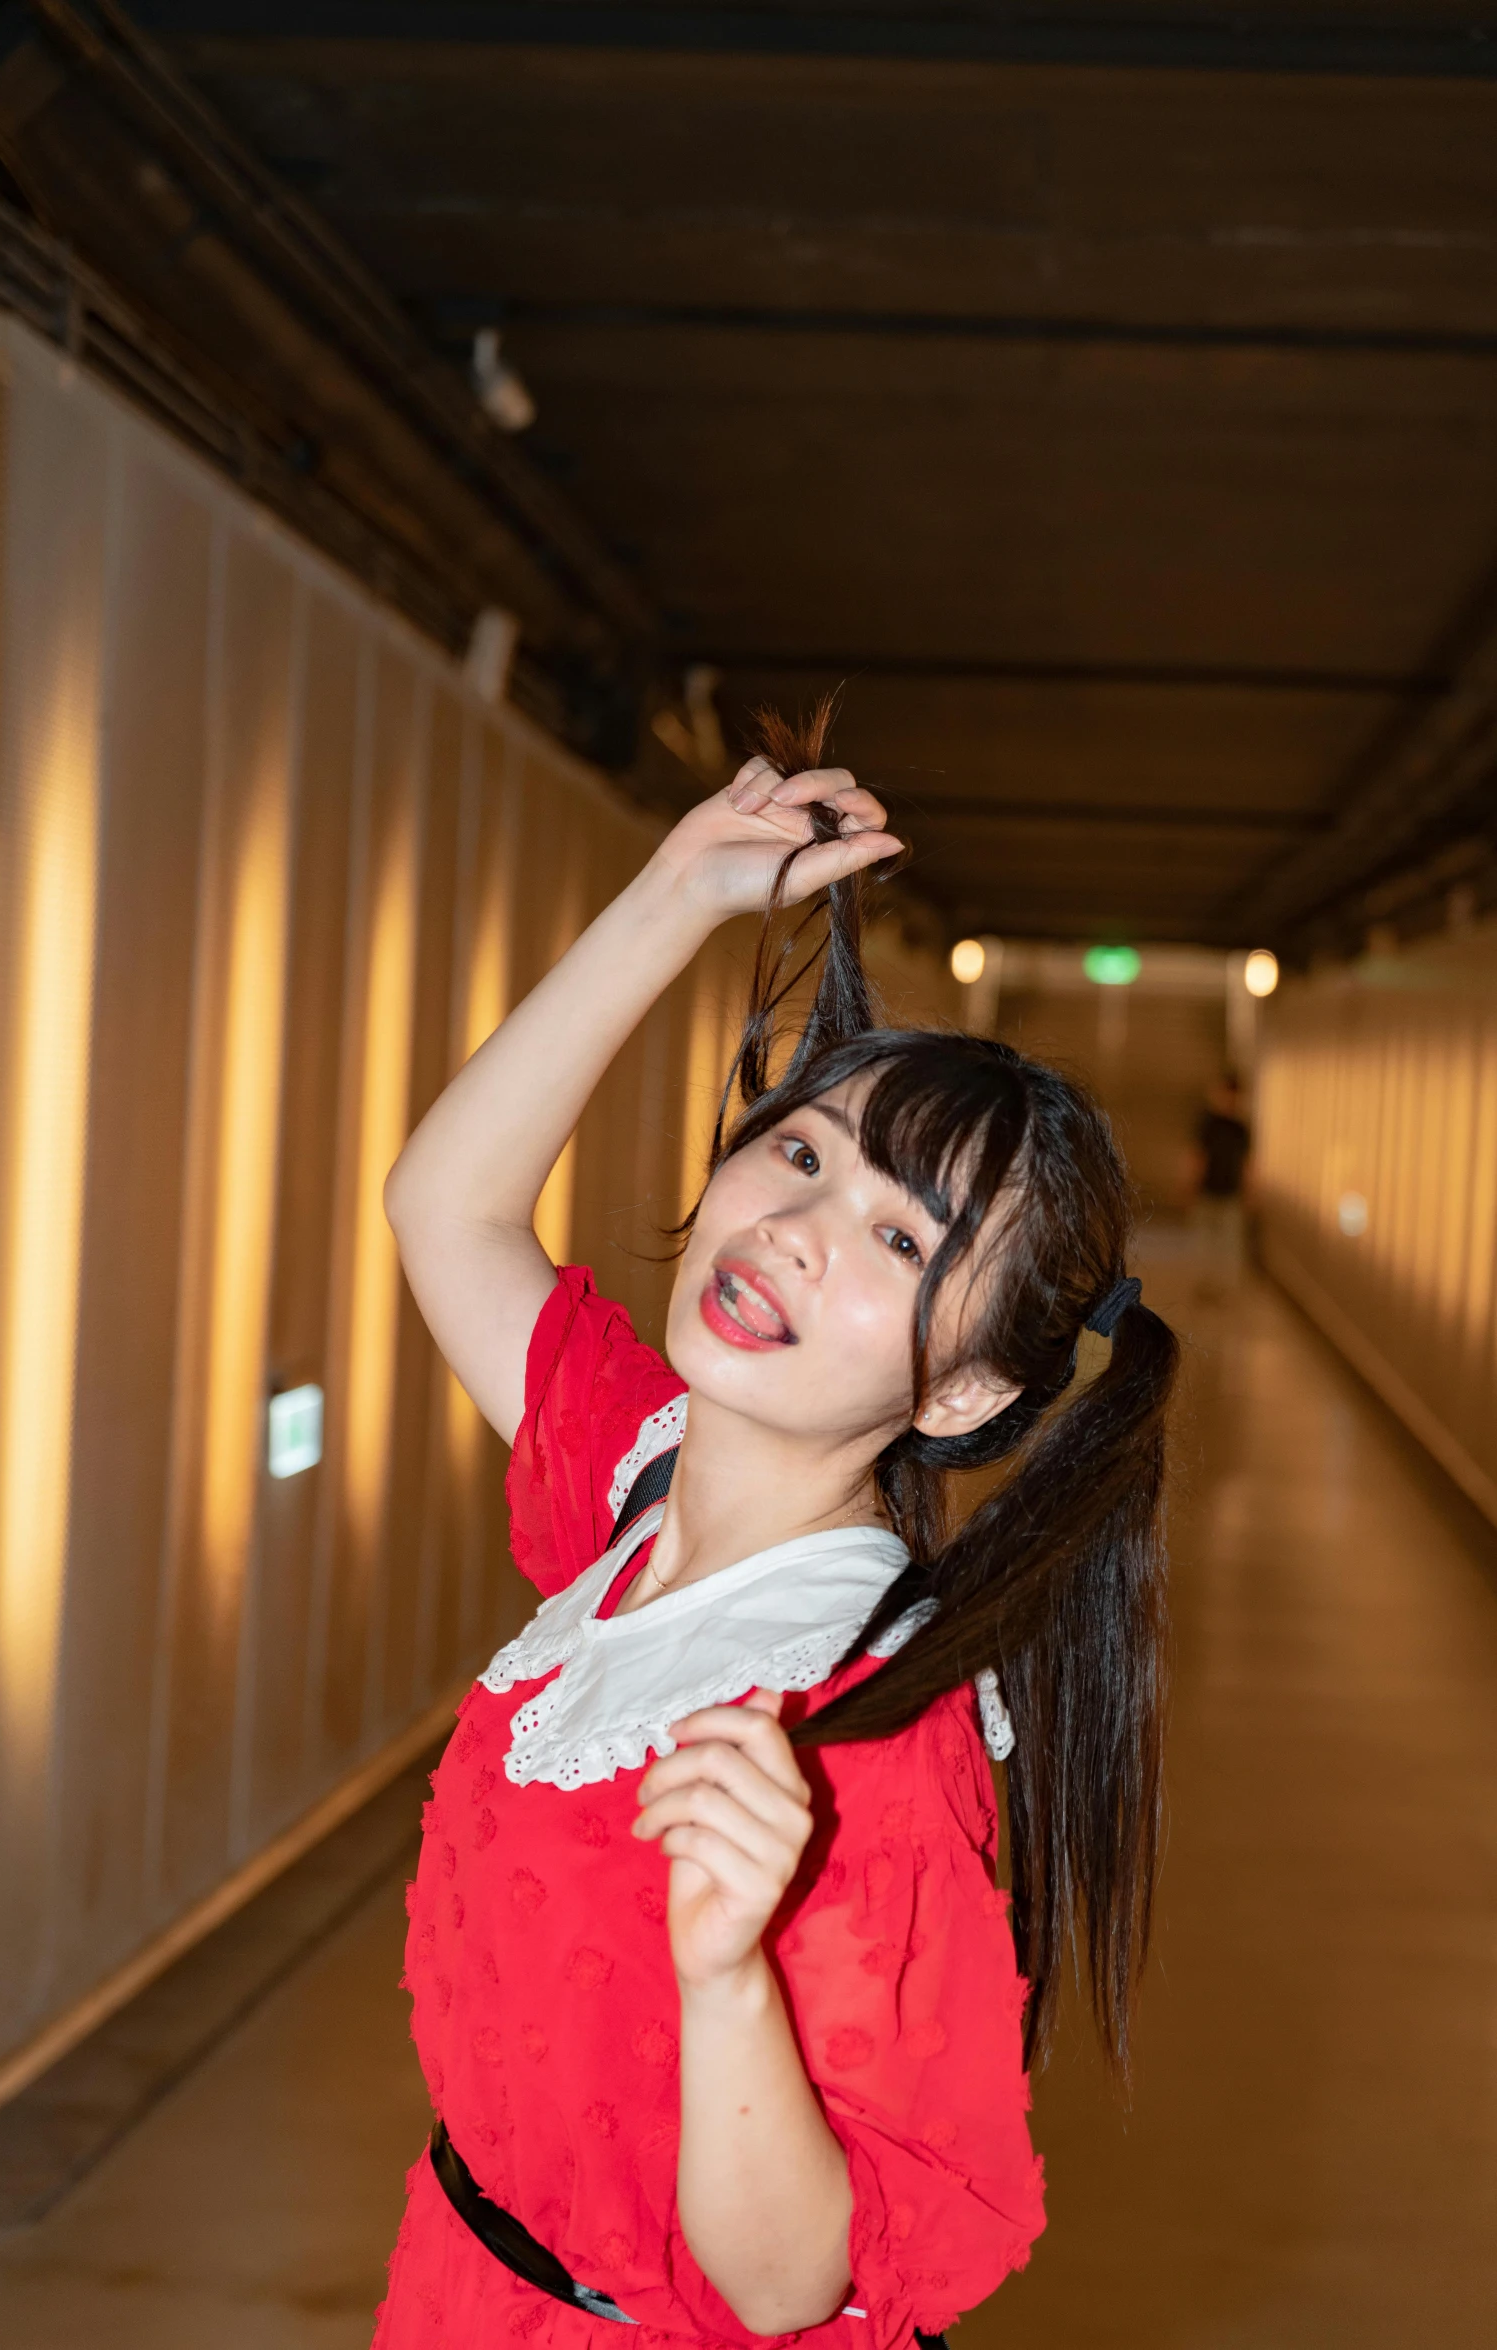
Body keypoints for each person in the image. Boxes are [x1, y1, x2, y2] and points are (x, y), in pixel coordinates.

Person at [377, 710, 1180, 2349]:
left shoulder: (865, 1722)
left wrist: (728, 1972)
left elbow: (787, 2281)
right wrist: (679, 893)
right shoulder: (646, 1484)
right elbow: (446, 1206)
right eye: (800, 1153)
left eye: (899, 1233)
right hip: (465, 2292)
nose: (800, 1227)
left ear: (959, 1394)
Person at [1187, 1072, 1251, 1296]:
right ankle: (1205, 1283)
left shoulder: (1241, 1128)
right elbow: (1198, 1156)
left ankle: (1223, 1286)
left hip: (1230, 1192)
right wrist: (1191, 1184)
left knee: (1228, 1243)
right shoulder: (1208, 1123)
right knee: (1204, 1240)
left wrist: (1249, 1191)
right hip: (1208, 1189)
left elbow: (1246, 1164)